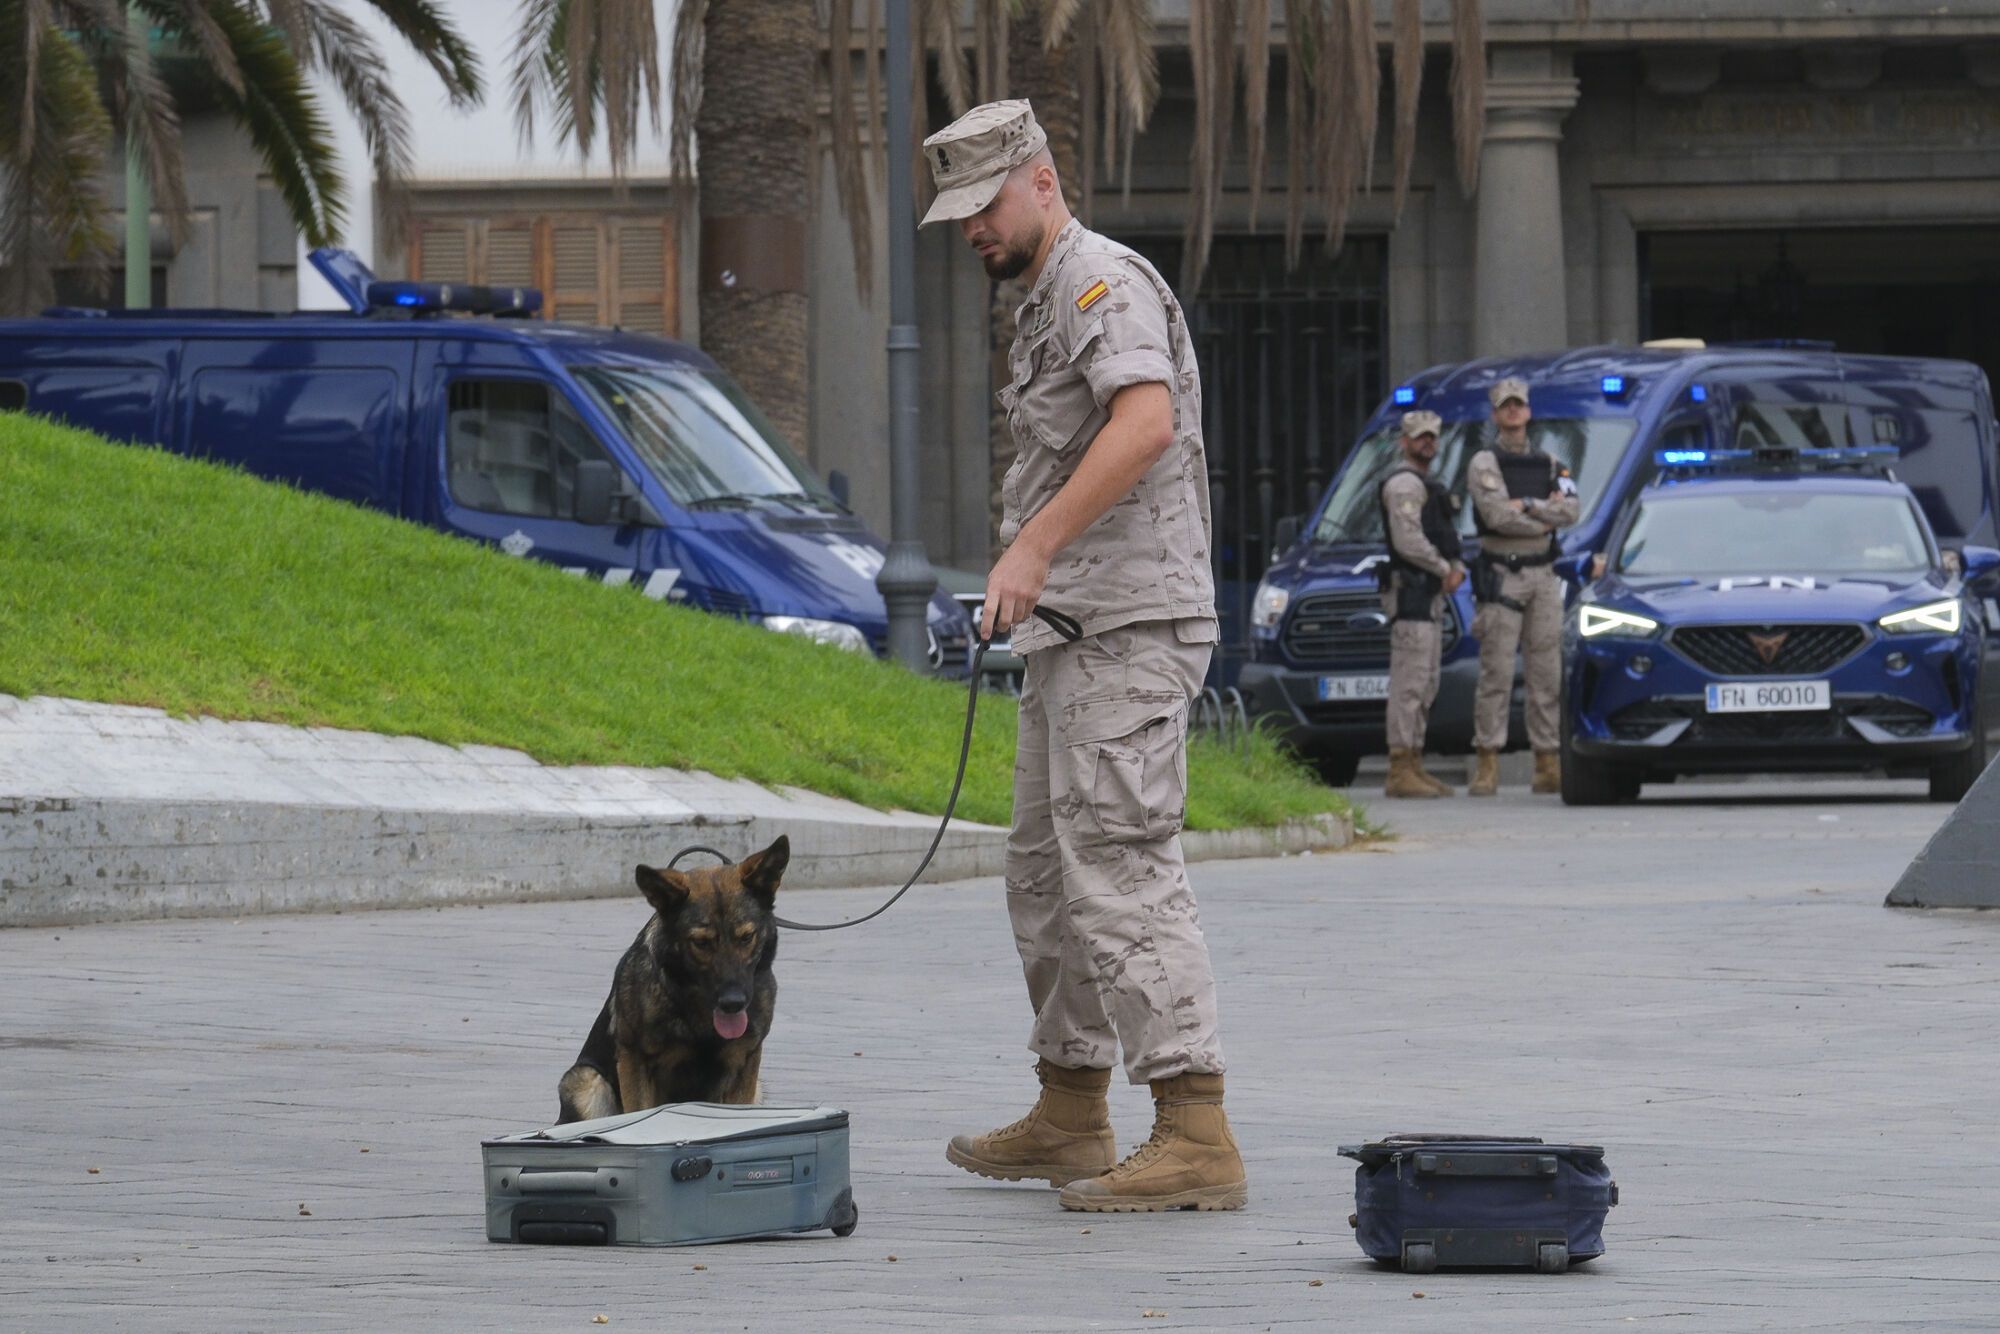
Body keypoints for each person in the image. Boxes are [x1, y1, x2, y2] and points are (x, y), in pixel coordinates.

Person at [919, 100, 1245, 1213]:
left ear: (1041, 180)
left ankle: (1194, 1124)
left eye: (982, 203)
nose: (968, 227)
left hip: (1131, 629)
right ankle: (1069, 1110)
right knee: (1046, 877)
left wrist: (1031, 544)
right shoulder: (1043, 299)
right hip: (1070, 634)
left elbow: (1143, 422)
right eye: (954, 212)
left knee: (1120, 866)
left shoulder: (1099, 280)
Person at [1466, 378, 1580, 796]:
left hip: (1543, 575)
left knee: (1546, 671)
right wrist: (1544, 517)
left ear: (1529, 411)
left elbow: (1571, 510)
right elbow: (1497, 517)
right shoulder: (1484, 462)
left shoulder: (1551, 463)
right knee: (1496, 670)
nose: (1513, 412)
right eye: (1505, 406)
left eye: (1519, 405)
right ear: (1496, 414)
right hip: (1503, 573)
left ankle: (1547, 761)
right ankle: (1487, 762)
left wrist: (1530, 505)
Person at [1378, 410, 1466, 799]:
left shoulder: (1425, 483)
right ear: (1404, 441)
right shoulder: (1404, 486)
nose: (1427, 442)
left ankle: (1414, 762)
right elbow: (1408, 541)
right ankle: (1400, 768)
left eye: (1432, 436)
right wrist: (1444, 568)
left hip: (1427, 595)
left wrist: (1451, 566)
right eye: (1419, 437)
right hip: (1412, 593)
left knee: (1425, 681)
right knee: (1411, 682)